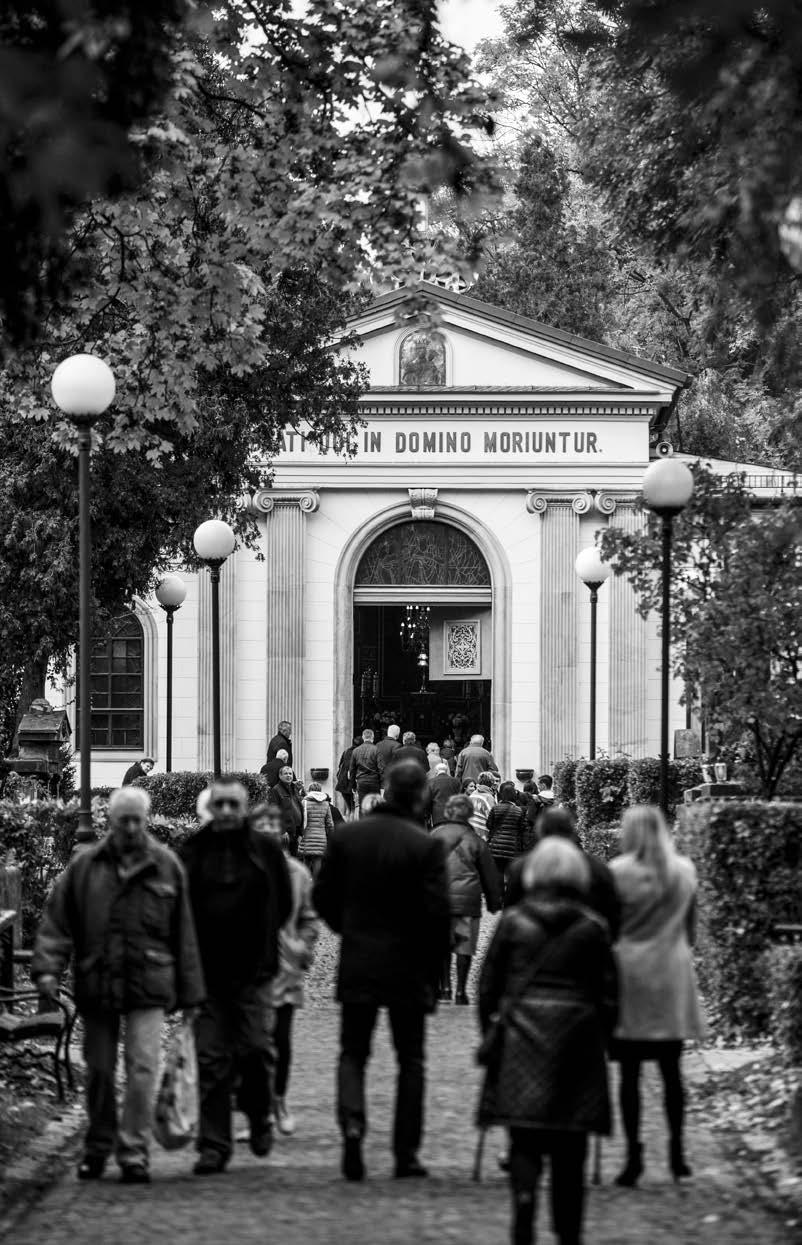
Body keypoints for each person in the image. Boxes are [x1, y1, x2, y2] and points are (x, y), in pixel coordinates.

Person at [31, 787, 204, 1184]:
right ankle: (98, 1145)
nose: (129, 828)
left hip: (150, 980)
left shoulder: (166, 865)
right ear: (110, 821)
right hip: (99, 979)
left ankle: (133, 1150)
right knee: (100, 1070)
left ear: (146, 821)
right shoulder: (86, 866)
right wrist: (47, 969)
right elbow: (58, 922)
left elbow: (185, 934)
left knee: (143, 1067)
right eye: (123, 820)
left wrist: (192, 994)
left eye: (136, 821)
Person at [313, 759, 450, 1182]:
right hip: (410, 964)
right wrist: (437, 974)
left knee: (354, 1053)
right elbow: (438, 916)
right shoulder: (425, 846)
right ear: (421, 796)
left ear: (386, 790)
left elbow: (322, 897)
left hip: (360, 958)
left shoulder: (349, 836)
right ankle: (405, 1153)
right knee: (411, 1060)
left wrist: (348, 929)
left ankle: (353, 1128)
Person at [478, 837, 617, 1245]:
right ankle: (568, 1228)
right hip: (577, 1038)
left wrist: (491, 1034)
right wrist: (603, 1037)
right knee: (571, 1142)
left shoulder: (514, 922)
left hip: (522, 1036)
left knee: (524, 1134)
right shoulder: (593, 927)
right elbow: (609, 993)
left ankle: (524, 1205)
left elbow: (488, 987)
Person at [180, 776, 292, 1175]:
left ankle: (259, 1117)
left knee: (255, 1050)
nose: (226, 811)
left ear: (243, 808)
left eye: (233, 804)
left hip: (253, 971)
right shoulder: (193, 850)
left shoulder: (265, 850)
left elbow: (283, 903)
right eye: (220, 804)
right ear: (211, 808)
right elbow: (181, 909)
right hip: (208, 974)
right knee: (211, 1059)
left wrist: (261, 942)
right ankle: (214, 1144)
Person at [610, 805, 704, 1188]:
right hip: (671, 970)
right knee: (671, 1070)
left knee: (629, 1074)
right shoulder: (684, 871)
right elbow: (691, 932)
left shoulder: (619, 873)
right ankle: (677, 1152)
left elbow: (609, 927)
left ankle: (634, 1154)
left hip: (630, 971)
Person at [258, 805, 319, 1137]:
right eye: (262, 825)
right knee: (254, 1044)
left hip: (285, 967)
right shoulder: (242, 869)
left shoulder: (297, 873)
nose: (268, 830)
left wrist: (302, 948)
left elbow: (309, 918)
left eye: (273, 824)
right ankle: (258, 1110)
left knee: (280, 1040)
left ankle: (278, 1101)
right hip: (250, 971)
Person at [505, 807, 621, 942]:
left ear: (540, 830)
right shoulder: (596, 868)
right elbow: (612, 915)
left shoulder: (522, 866)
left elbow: (510, 910)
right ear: (572, 830)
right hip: (582, 944)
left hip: (530, 944)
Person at [431, 794, 501, 1004]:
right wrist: (494, 902)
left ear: (448, 812)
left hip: (439, 899)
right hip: (468, 899)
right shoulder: (475, 840)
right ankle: (461, 991)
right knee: (464, 946)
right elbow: (489, 874)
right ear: (469, 814)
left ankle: (444, 987)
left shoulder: (434, 836)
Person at [486, 780, 530, 898]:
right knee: (511, 873)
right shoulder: (518, 810)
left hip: (496, 846)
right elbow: (523, 828)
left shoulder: (495, 808)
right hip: (512, 847)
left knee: (498, 872)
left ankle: (499, 896)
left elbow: (489, 825)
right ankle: (509, 897)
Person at [299, 781, 334, 877]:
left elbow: (300, 819)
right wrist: (331, 834)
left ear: (309, 790)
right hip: (321, 837)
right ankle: (316, 882)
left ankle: (305, 881)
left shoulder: (304, 802)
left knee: (306, 859)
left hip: (306, 836)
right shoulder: (326, 804)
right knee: (318, 860)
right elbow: (330, 823)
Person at [268, 764, 304, 856]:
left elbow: (300, 809)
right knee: (285, 859)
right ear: (280, 776)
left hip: (296, 832)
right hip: (285, 833)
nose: (288, 775)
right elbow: (274, 812)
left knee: (294, 858)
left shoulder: (294, 789)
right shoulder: (276, 790)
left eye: (290, 773)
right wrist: (282, 831)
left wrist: (301, 833)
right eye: (285, 773)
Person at [348, 728, 381, 811]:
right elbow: (381, 768)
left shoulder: (356, 751)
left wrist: (353, 785)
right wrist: (381, 783)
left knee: (362, 807)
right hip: (374, 782)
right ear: (372, 737)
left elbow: (352, 770)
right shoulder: (377, 749)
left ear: (363, 737)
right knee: (375, 807)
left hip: (361, 782)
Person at [427, 762, 460, 828]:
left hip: (437, 816)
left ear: (436, 771)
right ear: (446, 771)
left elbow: (428, 801)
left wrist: (428, 816)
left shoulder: (430, 782)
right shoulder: (455, 781)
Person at [336, 736, 361, 814]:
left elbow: (340, 765)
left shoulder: (346, 751)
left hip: (343, 782)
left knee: (349, 808)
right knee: (354, 808)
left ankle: (348, 818)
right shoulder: (358, 753)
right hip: (352, 783)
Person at [468, 771, 496, 839]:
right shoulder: (488, 797)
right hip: (482, 834)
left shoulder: (472, 795)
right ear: (491, 784)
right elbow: (492, 817)